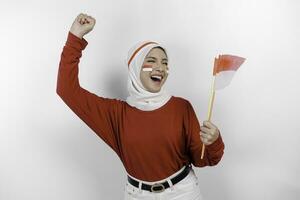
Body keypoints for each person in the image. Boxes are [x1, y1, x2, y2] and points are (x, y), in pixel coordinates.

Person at [56, 13, 225, 200]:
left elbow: (203, 160)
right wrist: (75, 37)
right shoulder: (115, 114)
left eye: (165, 63)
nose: (160, 68)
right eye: (151, 61)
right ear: (135, 67)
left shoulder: (181, 107)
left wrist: (213, 142)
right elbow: (66, 90)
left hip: (183, 193)